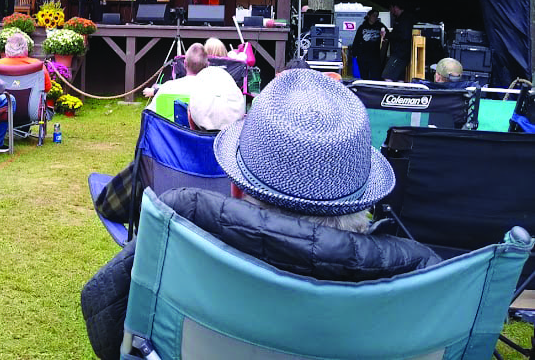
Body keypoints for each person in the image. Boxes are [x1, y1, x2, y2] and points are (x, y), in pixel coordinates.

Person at [82, 69, 441, 359]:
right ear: (366, 199)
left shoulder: (185, 231)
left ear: (236, 187)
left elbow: (103, 312)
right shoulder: (423, 284)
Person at [95, 65, 246, 227]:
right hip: (226, 251)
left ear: (189, 116)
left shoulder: (159, 158)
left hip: (163, 249)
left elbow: (109, 205)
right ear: (242, 120)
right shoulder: (251, 172)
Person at [144, 42, 208, 110]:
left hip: (169, 120)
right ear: (206, 65)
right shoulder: (211, 91)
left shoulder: (167, 87)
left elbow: (150, 115)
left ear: (185, 64)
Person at [351, 8, 387, 80]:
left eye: (376, 16)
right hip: (363, 55)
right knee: (364, 75)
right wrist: (354, 53)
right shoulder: (362, 27)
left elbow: (387, 34)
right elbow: (357, 40)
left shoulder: (379, 25)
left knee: (375, 75)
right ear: (369, 16)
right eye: (373, 15)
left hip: (375, 55)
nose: (375, 17)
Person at [382, 2, 414, 81]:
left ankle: (390, 92)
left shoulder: (405, 20)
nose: (390, 11)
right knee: (399, 77)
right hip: (400, 53)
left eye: (391, 8)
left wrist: (388, 35)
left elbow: (404, 36)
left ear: (395, 7)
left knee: (387, 75)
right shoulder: (400, 19)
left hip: (400, 53)